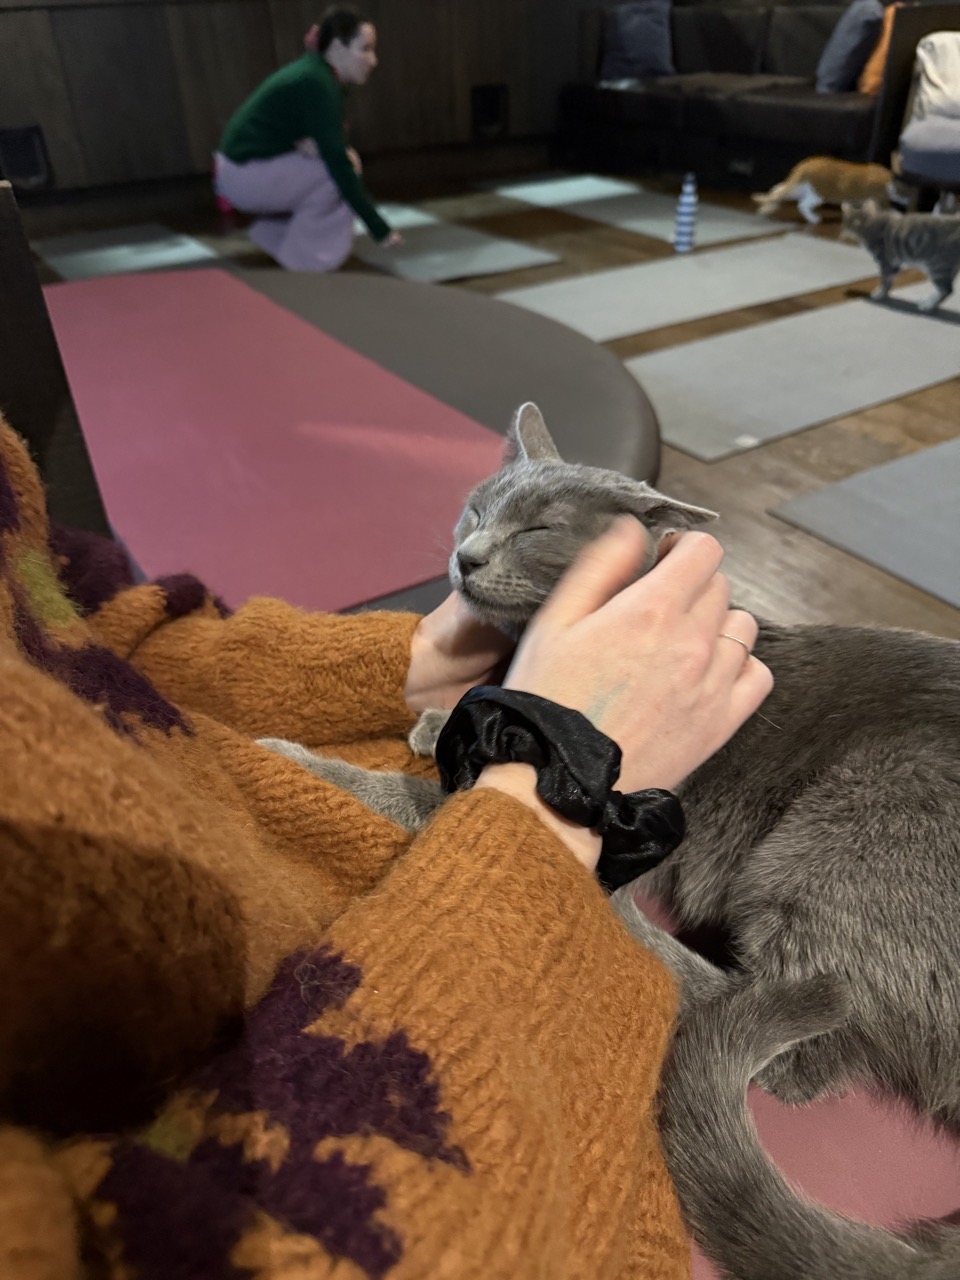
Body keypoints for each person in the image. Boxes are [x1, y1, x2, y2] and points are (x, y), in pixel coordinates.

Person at [0, 410, 771, 1278]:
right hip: (469, 1080)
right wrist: (554, 787)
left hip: (344, 850)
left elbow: (81, 627)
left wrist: (418, 656)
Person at [214, 5, 402, 271]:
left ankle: (284, 240)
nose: (373, 60)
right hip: (241, 176)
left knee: (342, 161)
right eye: (365, 49)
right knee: (337, 170)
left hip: (240, 170)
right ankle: (306, 260)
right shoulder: (317, 83)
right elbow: (339, 165)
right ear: (337, 47)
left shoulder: (319, 73)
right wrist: (379, 228)